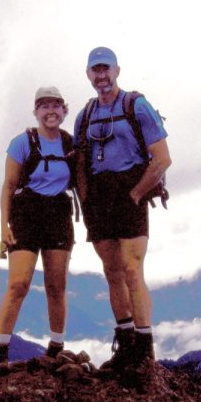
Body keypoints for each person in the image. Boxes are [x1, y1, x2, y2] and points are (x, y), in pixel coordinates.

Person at [73, 47, 171, 373]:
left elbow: (162, 158)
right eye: (94, 70)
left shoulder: (136, 106)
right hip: (99, 197)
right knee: (112, 272)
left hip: (130, 191)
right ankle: (127, 346)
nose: (101, 76)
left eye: (106, 69)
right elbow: (80, 164)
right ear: (88, 74)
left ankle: (144, 352)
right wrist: (86, 202)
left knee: (131, 270)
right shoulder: (85, 115)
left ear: (117, 70)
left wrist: (135, 194)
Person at [0, 86, 76, 375]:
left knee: (56, 285)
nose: (50, 111)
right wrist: (3, 227)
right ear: (36, 112)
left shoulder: (70, 144)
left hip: (58, 214)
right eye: (44, 106)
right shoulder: (21, 143)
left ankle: (56, 349)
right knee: (18, 284)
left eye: (56, 105)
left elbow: (82, 184)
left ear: (64, 110)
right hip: (26, 213)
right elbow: (8, 186)